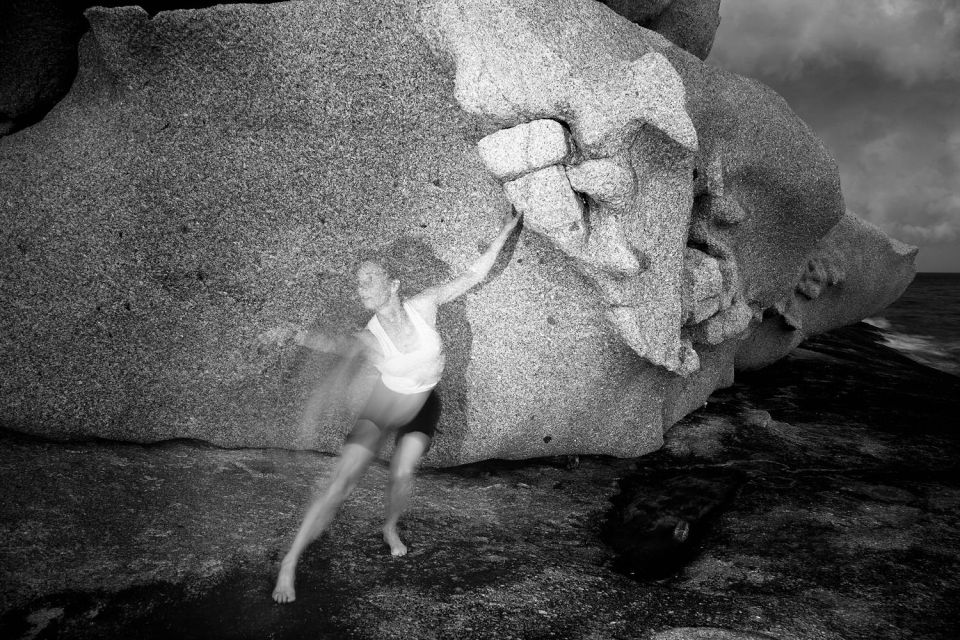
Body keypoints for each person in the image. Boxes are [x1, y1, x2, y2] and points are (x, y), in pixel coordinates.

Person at [272, 209, 521, 604]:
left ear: (393, 284)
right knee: (340, 482)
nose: (361, 286)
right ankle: (289, 562)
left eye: (369, 278)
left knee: (402, 474)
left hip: (424, 402)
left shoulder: (425, 306)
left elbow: (472, 276)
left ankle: (390, 528)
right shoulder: (369, 337)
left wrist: (505, 231)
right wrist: (295, 333)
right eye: (358, 281)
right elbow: (335, 345)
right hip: (384, 404)